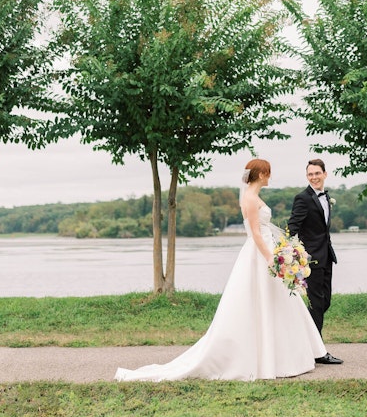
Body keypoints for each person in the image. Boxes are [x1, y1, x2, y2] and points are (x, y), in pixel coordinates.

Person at [114, 158, 325, 381]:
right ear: (261, 173)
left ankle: (277, 356)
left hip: (264, 249)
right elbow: (254, 233)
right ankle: (264, 358)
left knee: (273, 303)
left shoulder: (253, 196)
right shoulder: (250, 198)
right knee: (259, 302)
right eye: (268, 172)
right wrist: (271, 259)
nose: (270, 176)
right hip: (259, 253)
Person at [287, 158, 343, 365]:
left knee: (324, 301)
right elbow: (293, 226)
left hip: (327, 257)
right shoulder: (302, 198)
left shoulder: (325, 197)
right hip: (311, 261)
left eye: (317, 173)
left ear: (325, 174)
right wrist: (290, 254)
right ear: (307, 176)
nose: (314, 177)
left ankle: (307, 345)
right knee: (316, 304)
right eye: (310, 174)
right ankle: (317, 352)